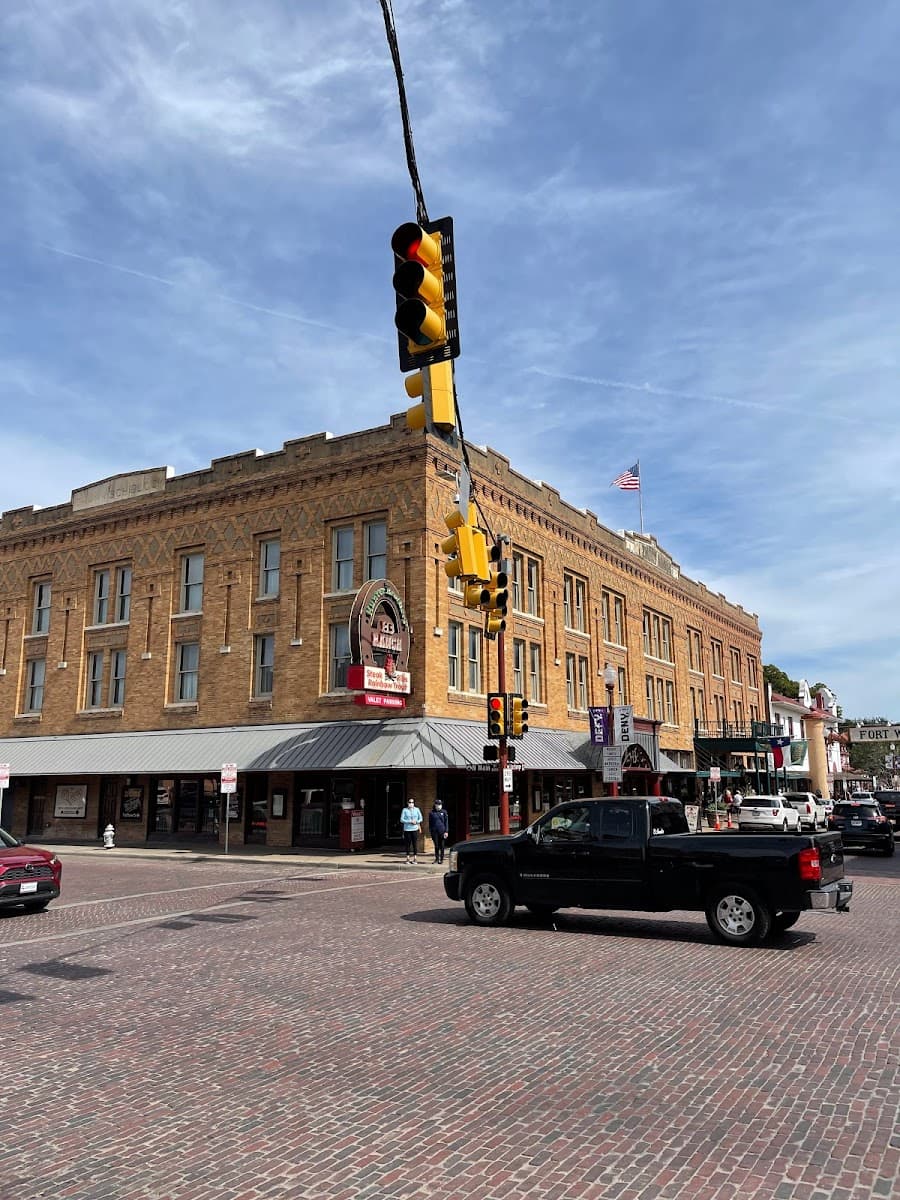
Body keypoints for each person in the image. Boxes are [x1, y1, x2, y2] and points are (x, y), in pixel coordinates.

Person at [400, 796, 423, 864]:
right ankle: (407, 858)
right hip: (407, 829)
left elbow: (421, 818)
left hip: (415, 829)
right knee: (408, 844)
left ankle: (415, 858)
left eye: (412, 802)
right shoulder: (404, 810)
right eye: (410, 802)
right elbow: (401, 819)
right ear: (407, 803)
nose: (411, 803)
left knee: (414, 843)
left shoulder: (417, 809)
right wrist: (409, 821)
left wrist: (416, 821)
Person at [429, 800, 450, 865]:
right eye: (438, 804)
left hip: (442, 831)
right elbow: (430, 823)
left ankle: (441, 859)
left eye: (440, 804)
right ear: (435, 805)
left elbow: (446, 822)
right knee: (436, 846)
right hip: (434, 832)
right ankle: (437, 859)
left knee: (442, 846)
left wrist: (446, 831)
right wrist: (431, 831)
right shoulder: (431, 813)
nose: (439, 806)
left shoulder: (444, 812)